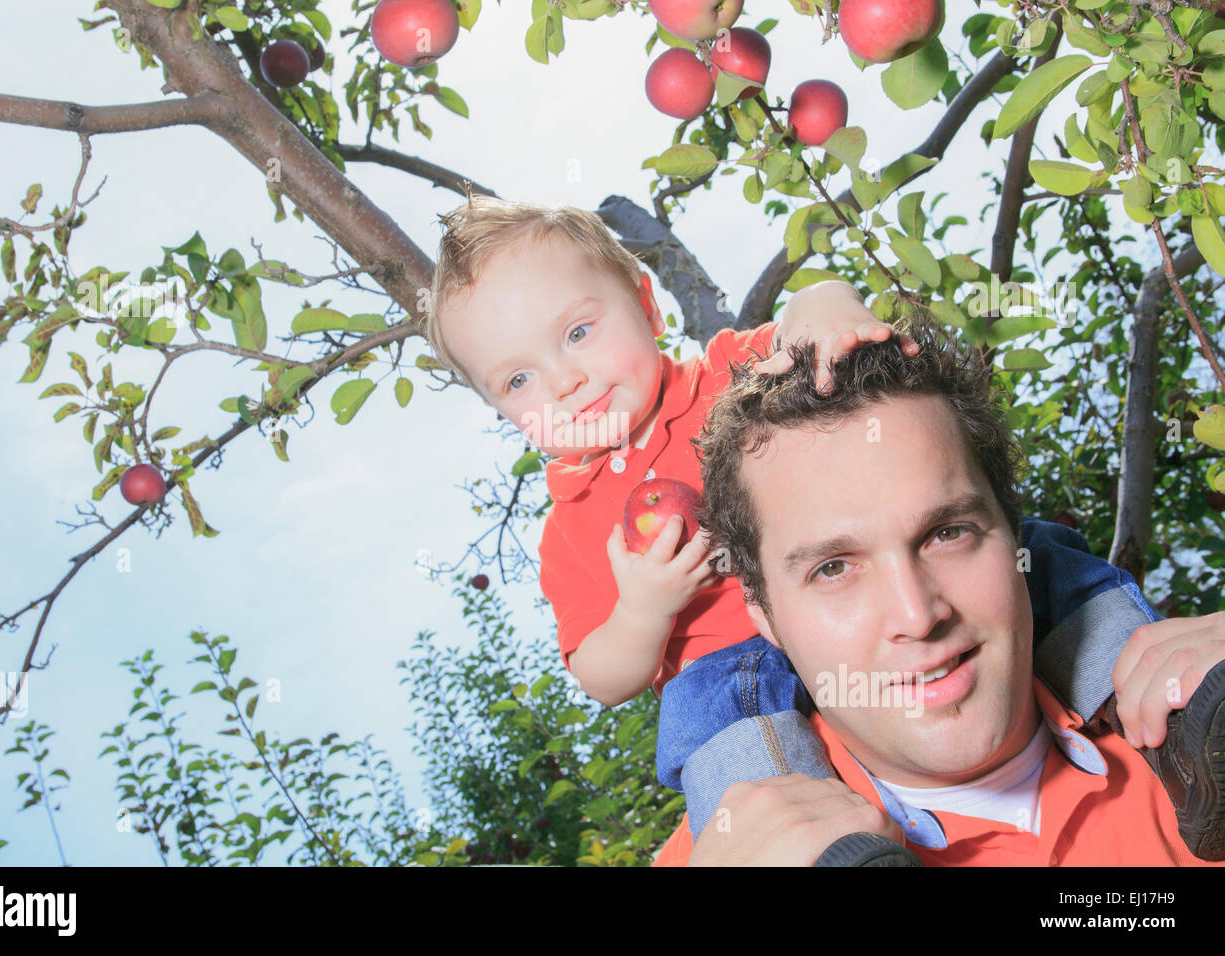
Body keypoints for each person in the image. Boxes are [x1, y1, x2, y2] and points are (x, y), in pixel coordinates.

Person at [424, 192, 1189, 863]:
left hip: (895, 666)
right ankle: (823, 851)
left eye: (579, 333)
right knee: (715, 736)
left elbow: (808, 318)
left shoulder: (736, 374)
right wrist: (643, 613)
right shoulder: (572, 533)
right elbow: (600, 676)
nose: (565, 380)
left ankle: (1167, 706)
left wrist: (828, 306)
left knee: (1040, 556)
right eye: (518, 380)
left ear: (647, 306)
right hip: (728, 669)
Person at [652, 323, 1225, 866]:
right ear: (766, 616)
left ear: (1016, 536)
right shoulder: (726, 851)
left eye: (947, 534)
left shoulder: (1197, 728)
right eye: (832, 568)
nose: (917, 614)